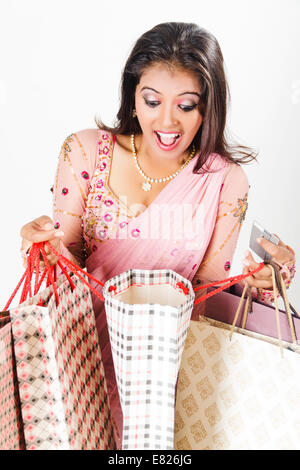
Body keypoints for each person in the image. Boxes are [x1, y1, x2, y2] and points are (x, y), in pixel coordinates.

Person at [20, 22, 296, 448]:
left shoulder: (223, 180)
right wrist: (43, 245)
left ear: (208, 108)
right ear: (133, 95)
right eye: (152, 101)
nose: (167, 121)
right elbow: (64, 270)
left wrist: (263, 280)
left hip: (164, 384)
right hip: (77, 367)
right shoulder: (85, 151)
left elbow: (206, 297)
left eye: (186, 106)